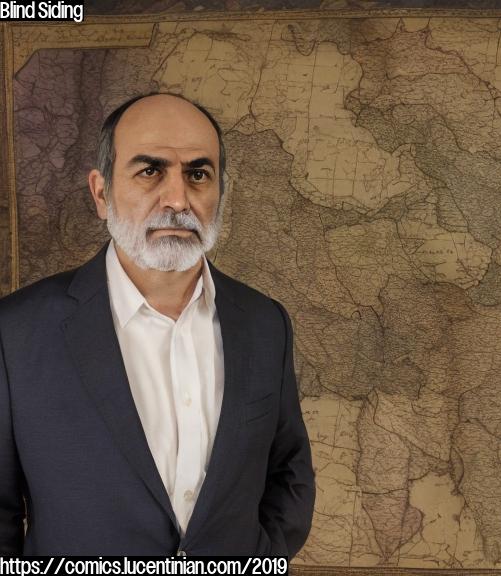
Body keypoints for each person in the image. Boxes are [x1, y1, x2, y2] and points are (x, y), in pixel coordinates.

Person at [0, 93, 315, 556]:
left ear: (220, 191)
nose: (177, 199)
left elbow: (289, 471)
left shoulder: (265, 323)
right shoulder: (16, 332)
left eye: (198, 174)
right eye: (150, 171)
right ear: (102, 193)